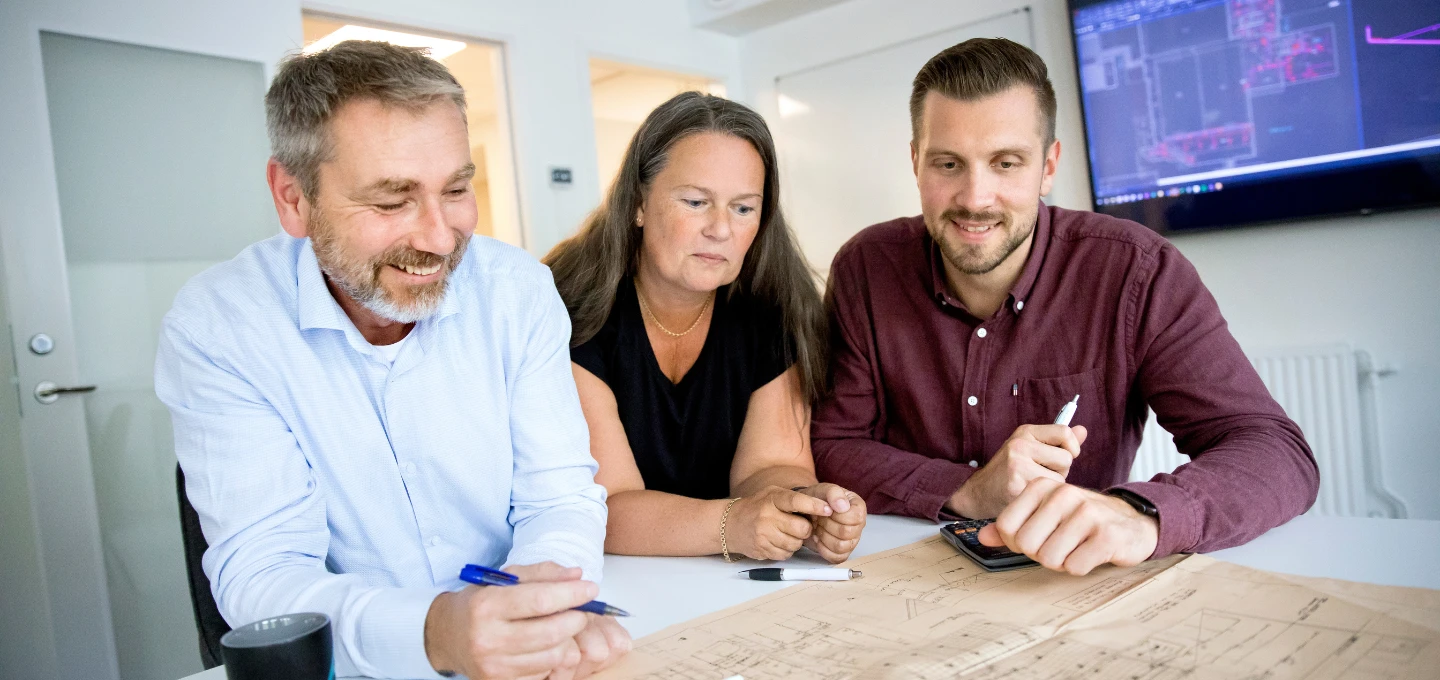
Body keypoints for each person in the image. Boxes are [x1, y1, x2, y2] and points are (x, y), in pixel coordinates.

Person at [155, 41, 629, 680]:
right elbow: (263, 572)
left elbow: (559, 496)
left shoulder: (517, 290)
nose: (439, 237)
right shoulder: (221, 325)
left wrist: (536, 608)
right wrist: (434, 632)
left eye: (456, 188)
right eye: (390, 201)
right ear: (293, 198)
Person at [812, 38, 1318, 576]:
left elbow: (1274, 451)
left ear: (1048, 166)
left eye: (1006, 163)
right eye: (948, 163)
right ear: (916, 163)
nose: (975, 198)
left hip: (1069, 578)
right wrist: (968, 489)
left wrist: (1140, 516)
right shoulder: (866, 267)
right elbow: (832, 444)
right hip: (899, 573)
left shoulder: (1138, 271)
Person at [545, 92, 867, 564]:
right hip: (605, 577)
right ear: (638, 203)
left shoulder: (774, 310)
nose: (721, 229)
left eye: (743, 208)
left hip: (720, 584)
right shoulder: (571, 312)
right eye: (696, 202)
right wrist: (733, 524)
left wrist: (800, 507)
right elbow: (603, 507)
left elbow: (771, 464)